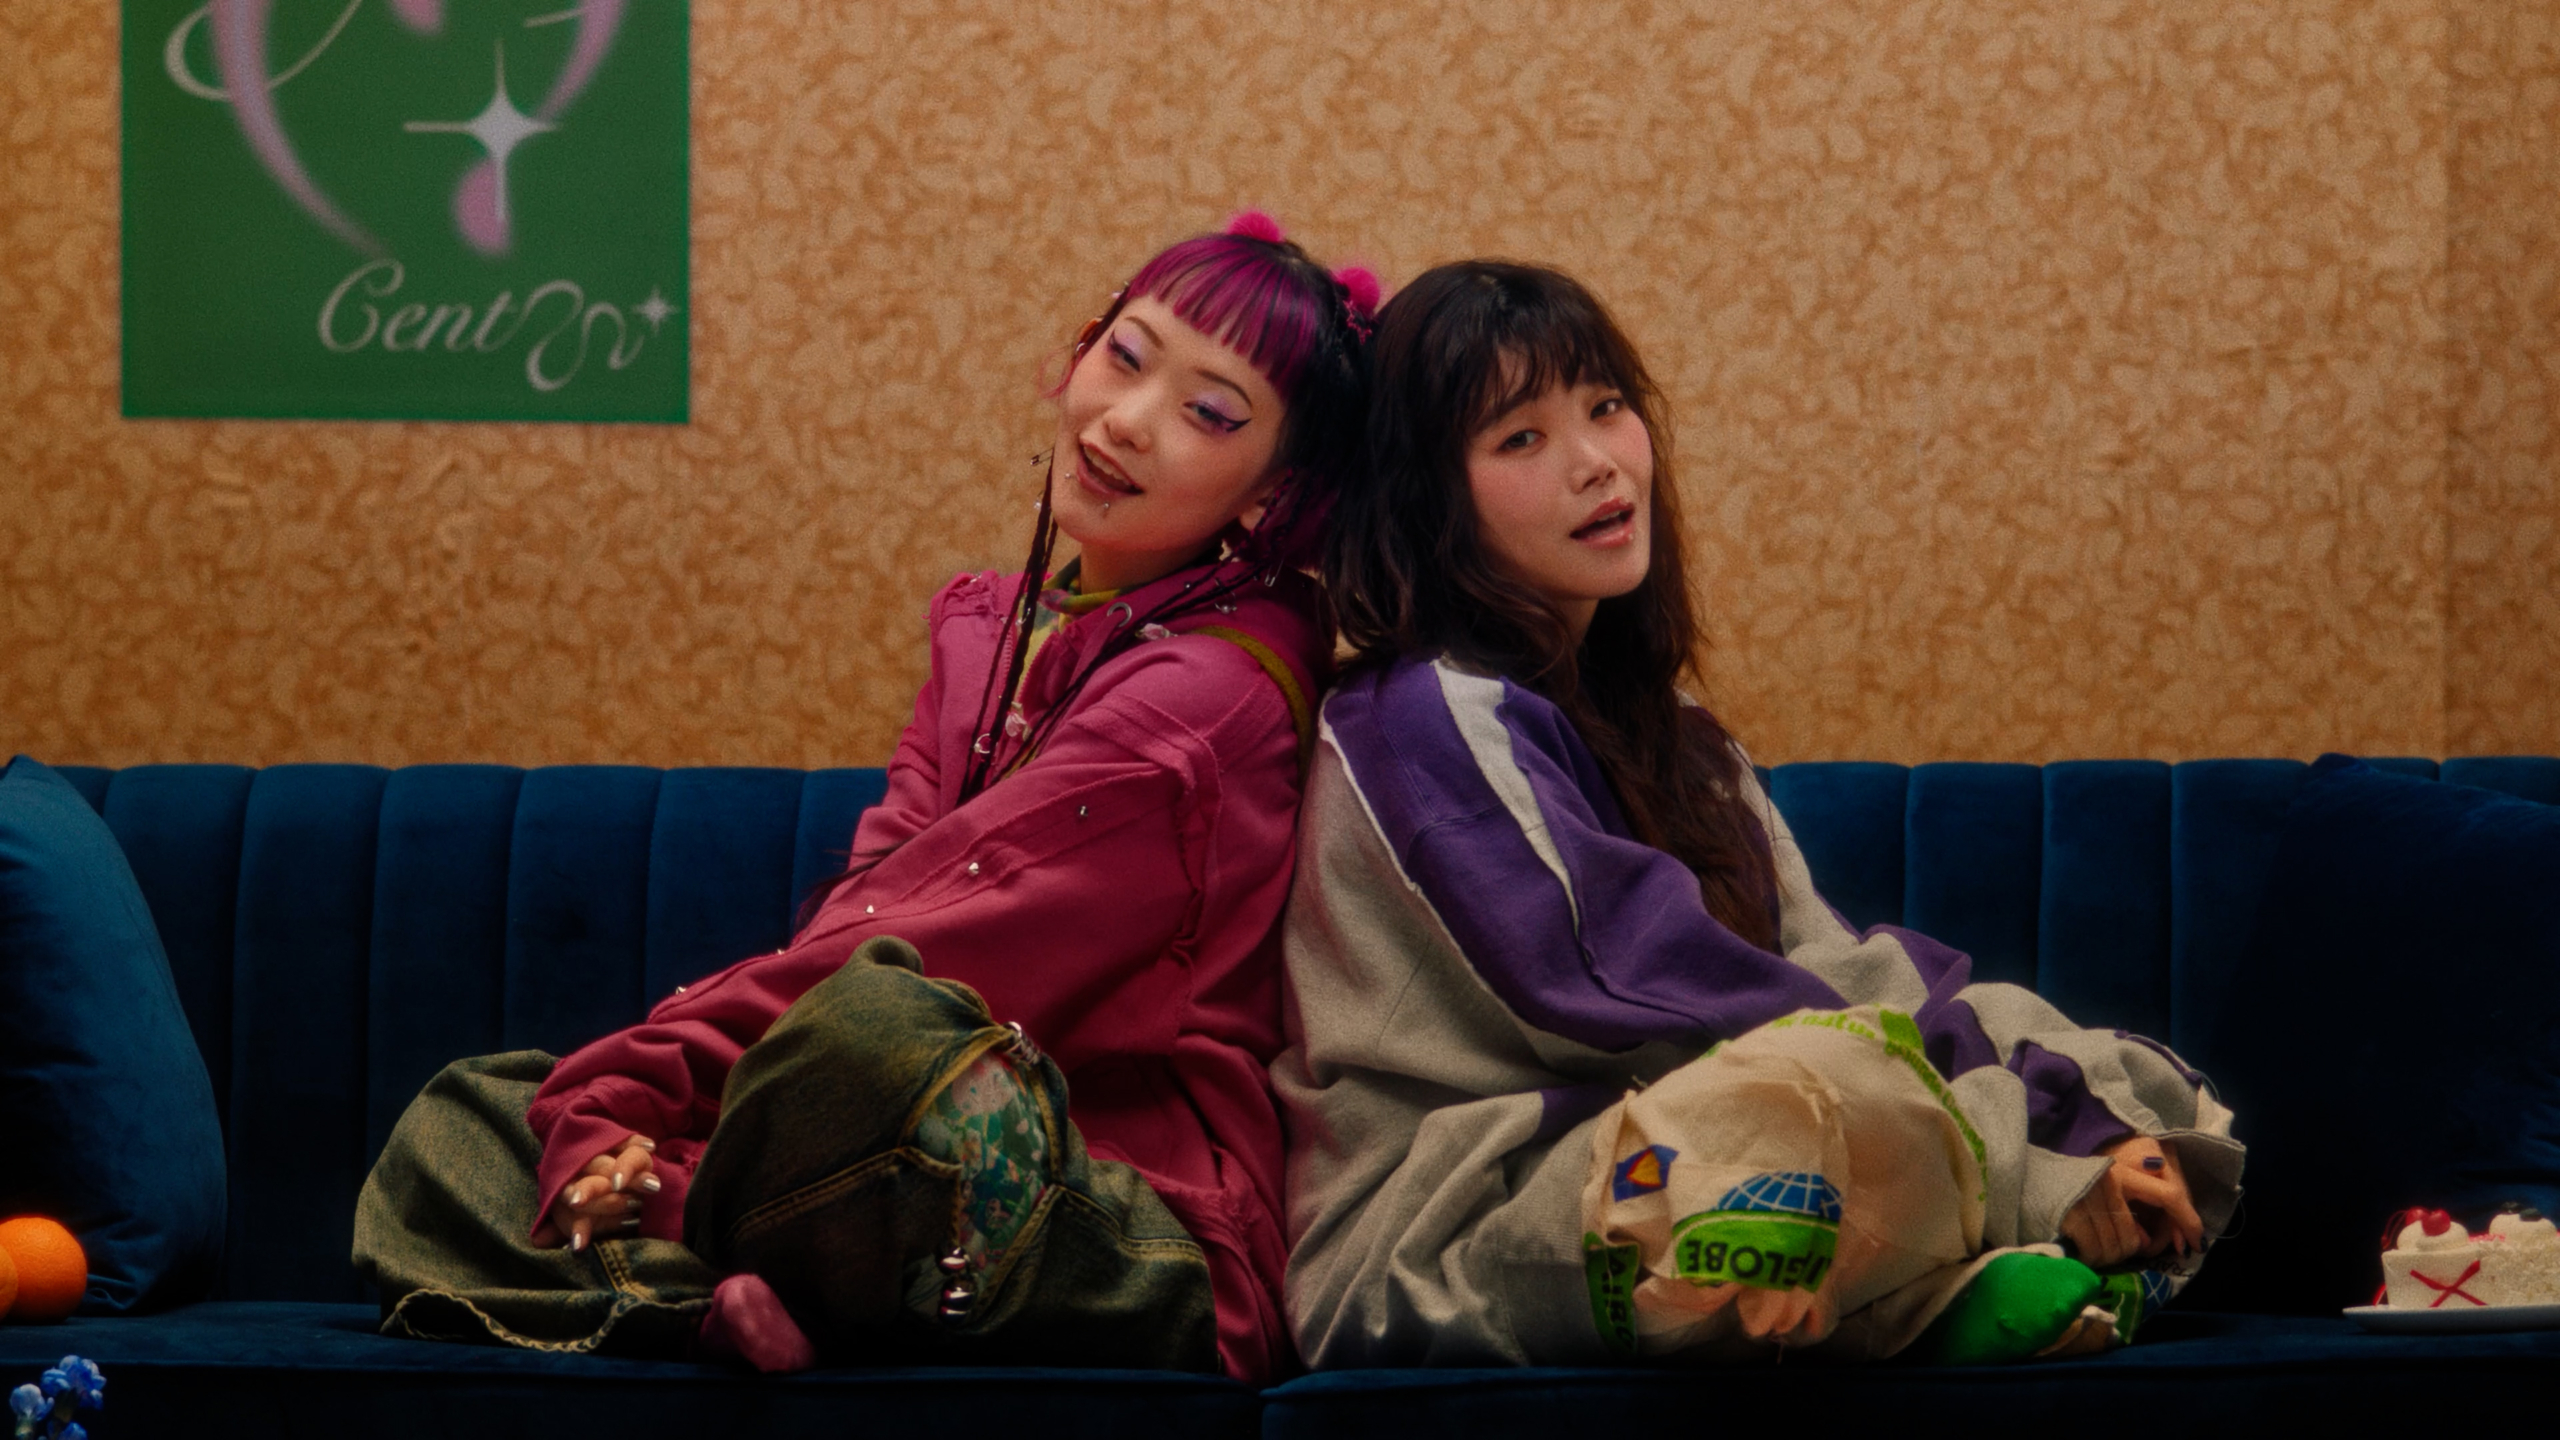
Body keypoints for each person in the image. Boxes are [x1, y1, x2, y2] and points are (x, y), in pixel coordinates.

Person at [355, 214, 1379, 1385]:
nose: (1126, 421)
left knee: (869, 1039)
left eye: (1208, 413)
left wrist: (629, 1090)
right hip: (882, 1155)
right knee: (471, 1117)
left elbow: (918, 958)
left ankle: (683, 1253)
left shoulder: (1206, 703)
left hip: (1127, 1213)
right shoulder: (989, 633)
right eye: (1127, 355)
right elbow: (865, 900)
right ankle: (726, 1300)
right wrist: (615, 1108)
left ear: (1277, 491)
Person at [1275, 260, 2242, 1368]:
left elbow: (1820, 962)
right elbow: (1646, 993)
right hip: (1463, 1217)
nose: (1596, 462)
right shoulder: (1422, 718)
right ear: (1426, 499)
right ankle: (1955, 1278)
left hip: (1674, 1139)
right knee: (1805, 1114)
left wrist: (2074, 1101)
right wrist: (2034, 1137)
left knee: (2106, 1069)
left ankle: (1943, 1288)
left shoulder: (1677, 733)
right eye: (1521, 438)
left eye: (1606, 407)